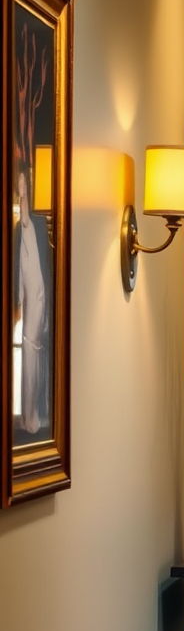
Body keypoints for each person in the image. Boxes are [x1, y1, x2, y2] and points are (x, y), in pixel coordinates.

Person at [13, 167, 50, 437]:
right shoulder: (19, 229)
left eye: (25, 186)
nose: (23, 191)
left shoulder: (38, 225)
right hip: (28, 302)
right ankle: (30, 416)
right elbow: (17, 269)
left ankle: (36, 413)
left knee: (35, 349)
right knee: (29, 350)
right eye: (20, 187)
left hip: (41, 298)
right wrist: (17, 300)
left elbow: (45, 268)